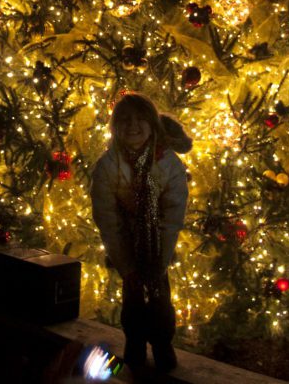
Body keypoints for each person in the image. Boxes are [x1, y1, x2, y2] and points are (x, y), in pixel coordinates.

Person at [90, 94, 190, 373]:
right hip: (127, 239)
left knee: (160, 296)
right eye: (125, 120)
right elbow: (107, 217)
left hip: (158, 240)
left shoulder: (168, 163)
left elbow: (173, 212)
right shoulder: (109, 165)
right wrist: (126, 264)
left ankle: (161, 343)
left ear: (152, 123)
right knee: (132, 295)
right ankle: (134, 341)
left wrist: (162, 257)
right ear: (115, 126)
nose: (133, 126)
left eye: (140, 119)